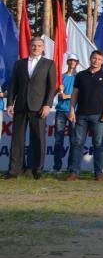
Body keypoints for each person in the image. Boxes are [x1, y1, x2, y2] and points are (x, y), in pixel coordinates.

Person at [4, 36, 55, 179]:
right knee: (17, 139)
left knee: (38, 139)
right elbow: (13, 85)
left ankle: (36, 170)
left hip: (38, 107)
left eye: (39, 46)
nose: (36, 48)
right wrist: (10, 103)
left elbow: (51, 87)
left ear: (43, 48)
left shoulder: (49, 64)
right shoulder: (19, 63)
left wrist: (47, 105)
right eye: (33, 45)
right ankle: (14, 170)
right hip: (20, 106)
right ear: (29, 46)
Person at [67, 50, 103, 181]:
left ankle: (99, 173)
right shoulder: (81, 75)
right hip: (81, 115)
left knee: (98, 144)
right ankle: (74, 172)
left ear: (102, 61)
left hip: (99, 115)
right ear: (90, 58)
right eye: (94, 58)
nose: (96, 61)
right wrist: (71, 110)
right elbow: (75, 94)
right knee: (77, 143)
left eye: (99, 59)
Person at [52, 54, 79, 174]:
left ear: (77, 63)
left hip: (73, 111)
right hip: (61, 111)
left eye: (74, 61)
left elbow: (80, 94)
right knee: (58, 140)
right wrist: (58, 90)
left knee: (73, 140)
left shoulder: (79, 78)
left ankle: (70, 167)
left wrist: (66, 96)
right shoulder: (61, 77)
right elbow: (53, 93)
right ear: (67, 62)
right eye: (70, 60)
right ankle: (56, 167)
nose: (72, 62)